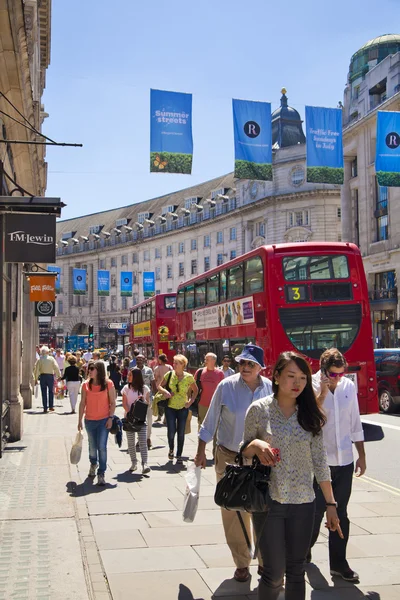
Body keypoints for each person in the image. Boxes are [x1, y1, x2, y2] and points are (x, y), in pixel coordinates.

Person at [242, 351, 342, 599]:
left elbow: (320, 463)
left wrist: (330, 504)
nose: (297, 383)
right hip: (268, 503)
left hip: (303, 503)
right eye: (290, 376)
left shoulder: (311, 415)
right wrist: (255, 446)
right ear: (276, 377)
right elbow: (243, 452)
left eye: (302, 378)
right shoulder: (259, 410)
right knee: (273, 573)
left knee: (297, 571)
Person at [194, 343, 272, 582]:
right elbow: (210, 420)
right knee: (234, 512)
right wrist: (200, 451)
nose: (245, 367)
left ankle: (265, 559)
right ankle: (241, 562)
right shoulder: (226, 386)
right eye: (242, 363)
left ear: (260, 367)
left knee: (263, 509)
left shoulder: (270, 388)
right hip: (229, 458)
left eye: (250, 363)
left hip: (262, 461)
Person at [308, 348, 366, 582]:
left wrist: (361, 454)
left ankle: (339, 565)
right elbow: (310, 419)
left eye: (342, 373)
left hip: (344, 461)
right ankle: (303, 553)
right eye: (334, 374)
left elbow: (355, 421)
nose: (338, 378)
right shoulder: (310, 384)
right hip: (320, 462)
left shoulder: (348, 386)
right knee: (315, 512)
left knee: (341, 513)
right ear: (323, 370)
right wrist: (322, 391)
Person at [78, 360, 116, 486]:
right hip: (89, 420)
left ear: (99, 370)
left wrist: (110, 418)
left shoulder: (108, 384)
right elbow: (82, 403)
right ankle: (93, 463)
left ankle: (101, 473)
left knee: (102, 447)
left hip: (103, 420)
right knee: (92, 447)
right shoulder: (85, 385)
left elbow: (113, 402)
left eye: (92, 368)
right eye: (89, 369)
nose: (89, 371)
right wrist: (79, 420)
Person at [158, 354, 198, 464]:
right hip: (170, 407)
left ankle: (179, 454)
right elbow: (159, 386)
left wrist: (190, 401)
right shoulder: (169, 374)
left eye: (176, 363)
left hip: (183, 408)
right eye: (174, 362)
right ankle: (171, 449)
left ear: (183, 365)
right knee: (171, 432)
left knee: (181, 432)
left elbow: (196, 390)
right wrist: (165, 392)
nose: (174, 365)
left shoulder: (188, 377)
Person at [121, 368, 151, 474]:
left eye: (130, 375)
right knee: (131, 442)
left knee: (143, 442)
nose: (128, 377)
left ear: (136, 377)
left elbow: (148, 404)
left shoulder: (144, 388)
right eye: (128, 375)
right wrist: (130, 413)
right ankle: (134, 463)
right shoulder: (126, 388)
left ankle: (145, 463)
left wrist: (143, 400)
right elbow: (124, 403)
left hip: (141, 420)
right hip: (129, 419)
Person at [194, 353, 224, 427]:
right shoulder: (199, 372)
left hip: (215, 404)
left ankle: (215, 439)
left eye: (207, 359)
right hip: (202, 404)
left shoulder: (220, 373)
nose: (205, 361)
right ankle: (201, 439)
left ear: (213, 361)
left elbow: (223, 389)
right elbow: (192, 386)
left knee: (216, 426)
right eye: (205, 359)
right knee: (202, 426)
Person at [136, 354, 157, 449]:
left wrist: (156, 395)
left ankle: (148, 438)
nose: (139, 361)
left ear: (144, 360)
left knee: (149, 419)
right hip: (136, 398)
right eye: (137, 359)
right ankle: (139, 439)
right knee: (138, 419)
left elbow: (153, 383)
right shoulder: (133, 370)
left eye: (140, 359)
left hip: (148, 397)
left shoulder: (149, 370)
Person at [33, 346, 61, 413]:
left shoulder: (39, 360)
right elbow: (56, 367)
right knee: (51, 391)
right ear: (47, 352)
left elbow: (36, 370)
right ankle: (51, 406)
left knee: (43, 392)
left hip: (42, 376)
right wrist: (59, 375)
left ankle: (45, 407)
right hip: (50, 376)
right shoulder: (51, 359)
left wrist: (36, 379)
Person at [153, 354, 172, 421]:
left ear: (160, 360)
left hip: (159, 387)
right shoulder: (170, 367)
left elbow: (155, 378)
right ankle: (165, 418)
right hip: (168, 387)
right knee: (167, 402)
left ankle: (159, 416)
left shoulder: (157, 368)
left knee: (159, 402)